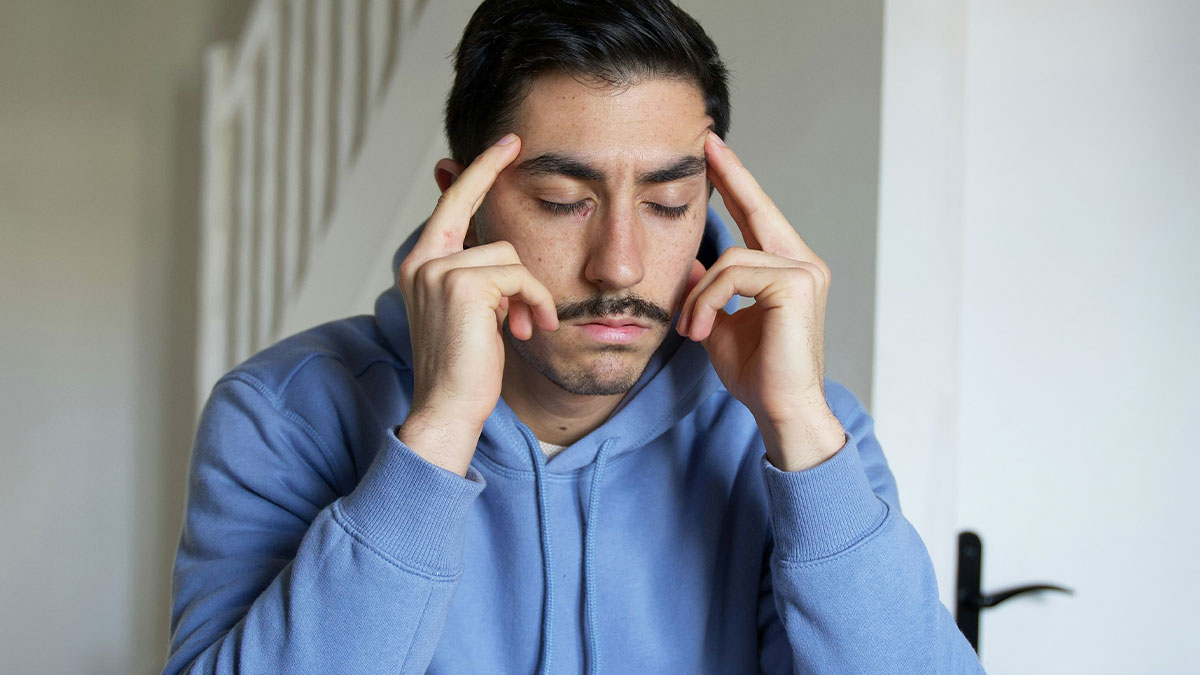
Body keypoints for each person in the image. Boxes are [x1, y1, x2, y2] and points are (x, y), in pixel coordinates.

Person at [165, 0, 982, 672]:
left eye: (668, 205)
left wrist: (801, 429)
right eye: (563, 199)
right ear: (466, 201)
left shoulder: (798, 433)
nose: (619, 264)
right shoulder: (283, 412)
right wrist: (439, 430)